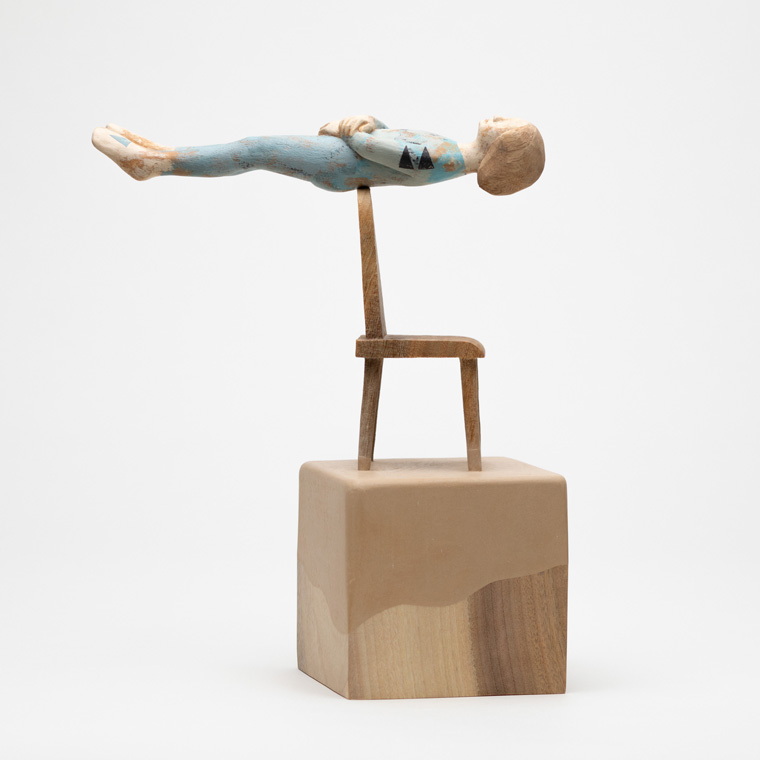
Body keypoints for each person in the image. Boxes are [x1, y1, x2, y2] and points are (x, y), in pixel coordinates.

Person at [91, 114, 545, 195]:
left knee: (256, 149)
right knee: (255, 148)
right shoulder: (449, 152)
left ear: (501, 148)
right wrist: (370, 120)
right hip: (348, 160)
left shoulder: (446, 160)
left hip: (343, 162)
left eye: (504, 125)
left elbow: (382, 152)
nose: (495, 118)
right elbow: (394, 139)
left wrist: (354, 132)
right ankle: (162, 154)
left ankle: (158, 164)